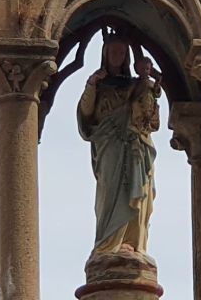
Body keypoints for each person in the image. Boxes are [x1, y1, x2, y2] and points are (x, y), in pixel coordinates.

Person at [76, 32, 161, 257]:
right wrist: (92, 84)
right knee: (111, 191)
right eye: (113, 51)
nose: (117, 55)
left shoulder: (137, 85)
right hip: (109, 143)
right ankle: (108, 245)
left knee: (141, 192)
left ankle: (134, 243)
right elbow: (86, 112)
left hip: (137, 146)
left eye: (121, 52)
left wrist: (145, 82)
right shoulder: (99, 83)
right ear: (105, 54)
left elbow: (151, 120)